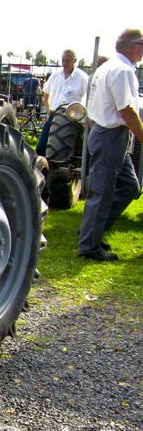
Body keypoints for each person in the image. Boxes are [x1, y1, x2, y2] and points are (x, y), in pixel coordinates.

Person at [78, 29, 143, 261]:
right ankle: (89, 246)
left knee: (129, 187)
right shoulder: (123, 70)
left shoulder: (107, 67)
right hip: (111, 135)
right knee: (102, 193)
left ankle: (92, 231)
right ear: (133, 46)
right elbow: (126, 111)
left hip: (107, 134)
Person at [36, 49, 89, 156]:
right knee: (41, 147)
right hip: (55, 115)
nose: (64, 64)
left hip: (72, 119)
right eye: (63, 60)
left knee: (68, 152)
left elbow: (87, 98)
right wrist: (48, 108)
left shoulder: (82, 78)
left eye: (67, 61)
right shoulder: (55, 76)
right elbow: (46, 93)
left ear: (75, 60)